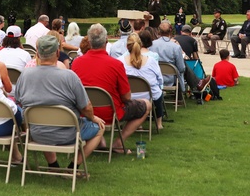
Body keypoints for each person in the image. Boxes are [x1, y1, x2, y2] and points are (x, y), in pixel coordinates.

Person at [16, 34, 105, 168]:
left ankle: (53, 165)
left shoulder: (25, 75)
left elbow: (19, 100)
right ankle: (73, 167)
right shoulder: (69, 76)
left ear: (38, 54)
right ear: (58, 52)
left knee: (42, 117)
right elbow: (86, 107)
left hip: (36, 132)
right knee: (100, 127)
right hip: (68, 134)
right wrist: (93, 118)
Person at [71, 23, 150, 154]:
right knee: (146, 105)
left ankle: (100, 139)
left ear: (89, 42)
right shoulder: (116, 64)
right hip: (109, 113)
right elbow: (127, 97)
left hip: (84, 111)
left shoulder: (77, 63)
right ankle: (118, 143)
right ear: (106, 41)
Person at [119, 33, 165, 131]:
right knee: (158, 92)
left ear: (127, 46)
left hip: (127, 96)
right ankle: (159, 122)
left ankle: (136, 124)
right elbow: (160, 79)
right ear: (141, 45)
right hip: (148, 96)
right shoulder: (151, 61)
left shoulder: (119, 62)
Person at [149, 21, 186, 93]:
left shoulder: (151, 45)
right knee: (183, 68)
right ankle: (181, 95)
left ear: (158, 31)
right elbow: (181, 68)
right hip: (170, 78)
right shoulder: (175, 47)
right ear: (170, 31)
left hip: (155, 77)